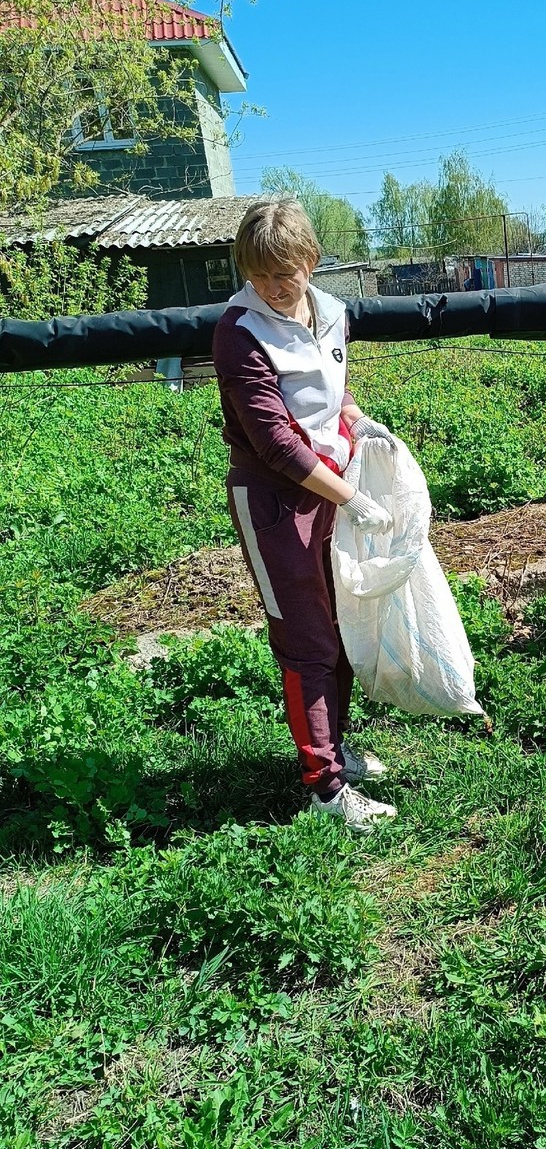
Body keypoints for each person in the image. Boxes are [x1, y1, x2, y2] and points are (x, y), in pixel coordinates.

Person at [213, 198, 397, 832]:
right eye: (258, 276)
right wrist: (353, 498)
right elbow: (276, 443)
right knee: (306, 639)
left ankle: (335, 747)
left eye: (283, 276)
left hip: (332, 486)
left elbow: (332, 391)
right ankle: (324, 790)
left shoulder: (332, 313)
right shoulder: (239, 333)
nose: (270, 289)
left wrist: (359, 422)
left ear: (311, 262)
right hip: (275, 501)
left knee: (340, 623)